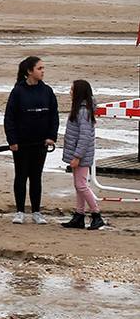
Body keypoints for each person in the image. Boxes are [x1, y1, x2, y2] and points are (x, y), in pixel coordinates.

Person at [4, 55, 59, 224]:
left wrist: (51, 136)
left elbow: (54, 116)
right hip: (21, 144)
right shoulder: (18, 91)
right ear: (29, 71)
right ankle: (20, 211)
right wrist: (12, 140)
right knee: (21, 176)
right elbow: (9, 117)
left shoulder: (47, 91)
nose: (42, 71)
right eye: (39, 68)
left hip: (41, 143)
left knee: (36, 177)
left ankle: (36, 211)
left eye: (43, 68)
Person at [60, 79, 105, 230]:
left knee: (81, 185)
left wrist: (77, 156)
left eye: (72, 89)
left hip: (81, 156)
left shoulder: (83, 110)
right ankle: (79, 215)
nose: (70, 92)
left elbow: (84, 137)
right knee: (78, 185)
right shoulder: (81, 109)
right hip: (78, 154)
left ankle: (96, 214)